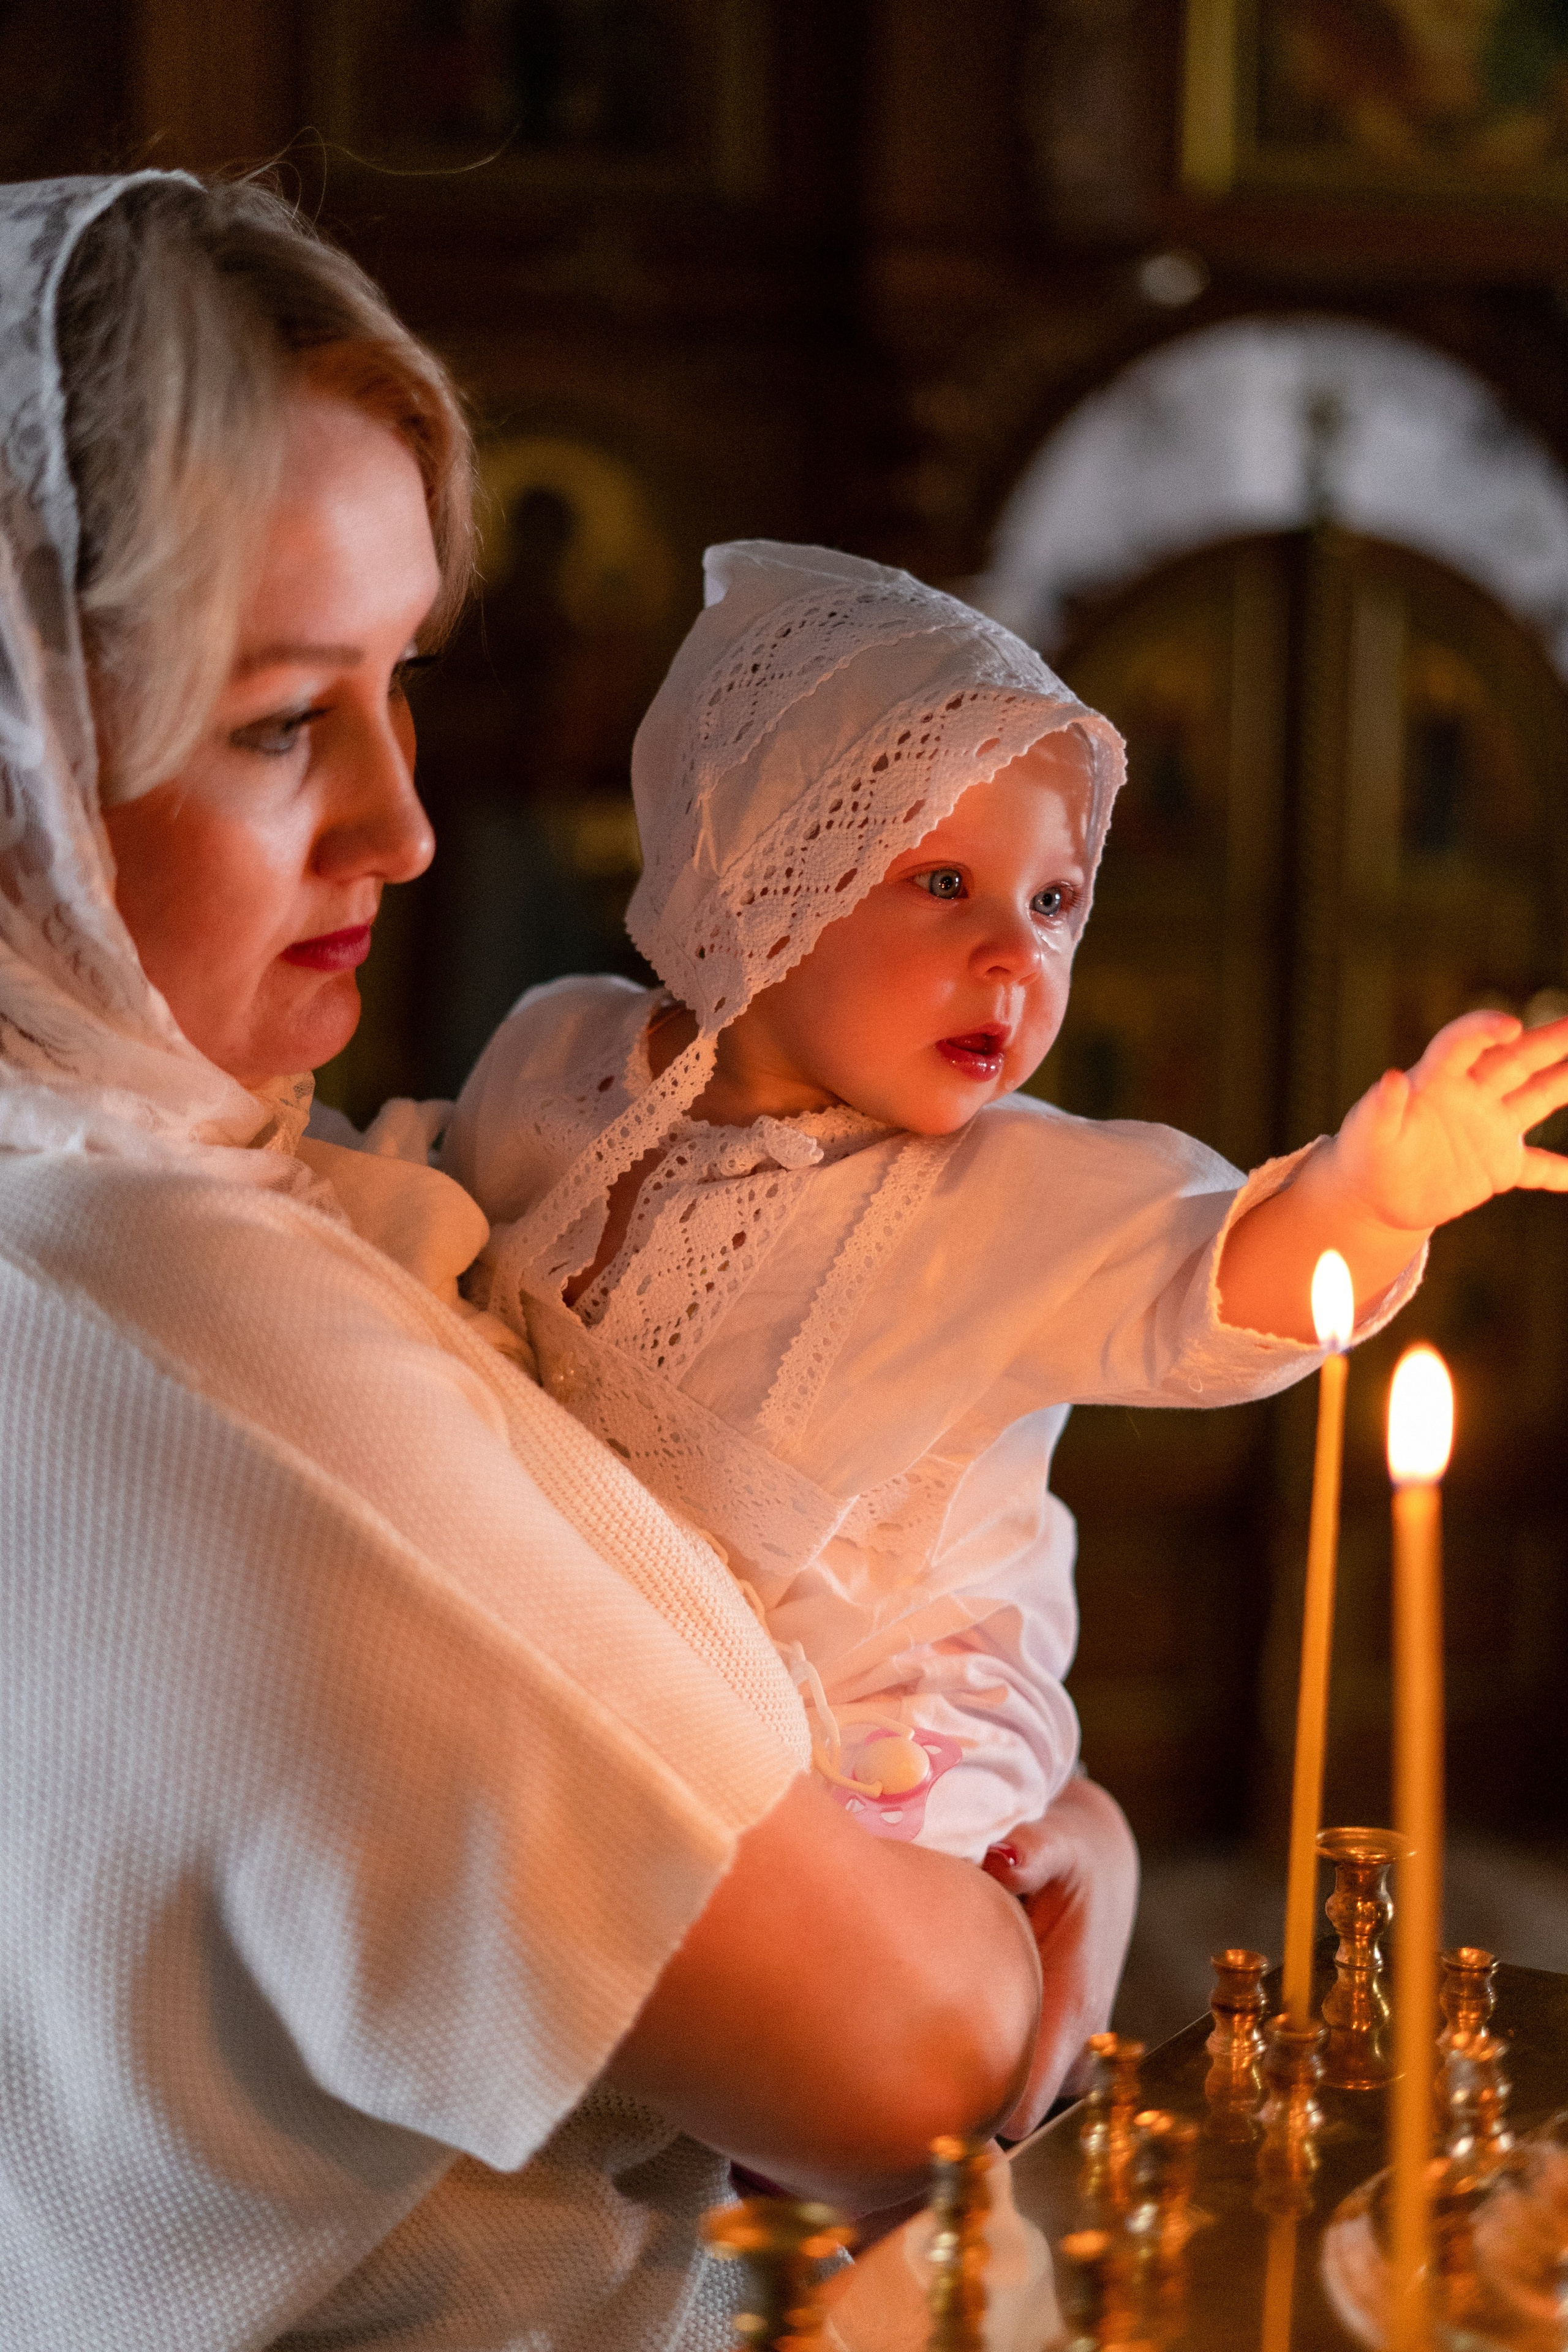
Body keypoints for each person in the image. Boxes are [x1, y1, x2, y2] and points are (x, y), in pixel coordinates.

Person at [0, 177, 1054, 2350]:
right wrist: (1082, 1839)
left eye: (401, 684)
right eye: (284, 718)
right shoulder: (193, 1324)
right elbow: (909, 2069)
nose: (404, 821)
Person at [445, 539, 1568, 1867]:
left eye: (1052, 903)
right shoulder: (554, 1051)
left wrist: (1370, 1194)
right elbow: (429, 1240)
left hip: (884, 1781)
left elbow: (1212, 1277)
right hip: (566, 1705)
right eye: (942, 885)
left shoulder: (1012, 1191)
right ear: (762, 865)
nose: (1014, 956)